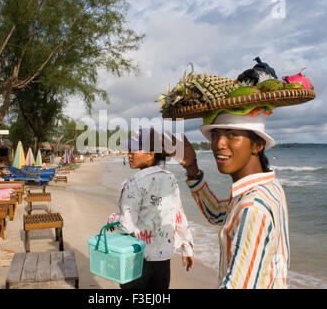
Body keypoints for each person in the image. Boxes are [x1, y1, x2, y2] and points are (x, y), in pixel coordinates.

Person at [164, 112, 289, 289]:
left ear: (257, 145)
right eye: (215, 135)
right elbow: (217, 214)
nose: (218, 144)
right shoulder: (270, 186)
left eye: (232, 134)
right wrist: (192, 167)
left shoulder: (252, 207)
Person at [108, 128, 194, 289]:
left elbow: (127, 226)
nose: (129, 154)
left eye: (134, 150)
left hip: (136, 260)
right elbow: (179, 215)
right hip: (162, 263)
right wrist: (187, 248)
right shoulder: (170, 178)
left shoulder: (133, 183)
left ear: (150, 153)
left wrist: (112, 219)